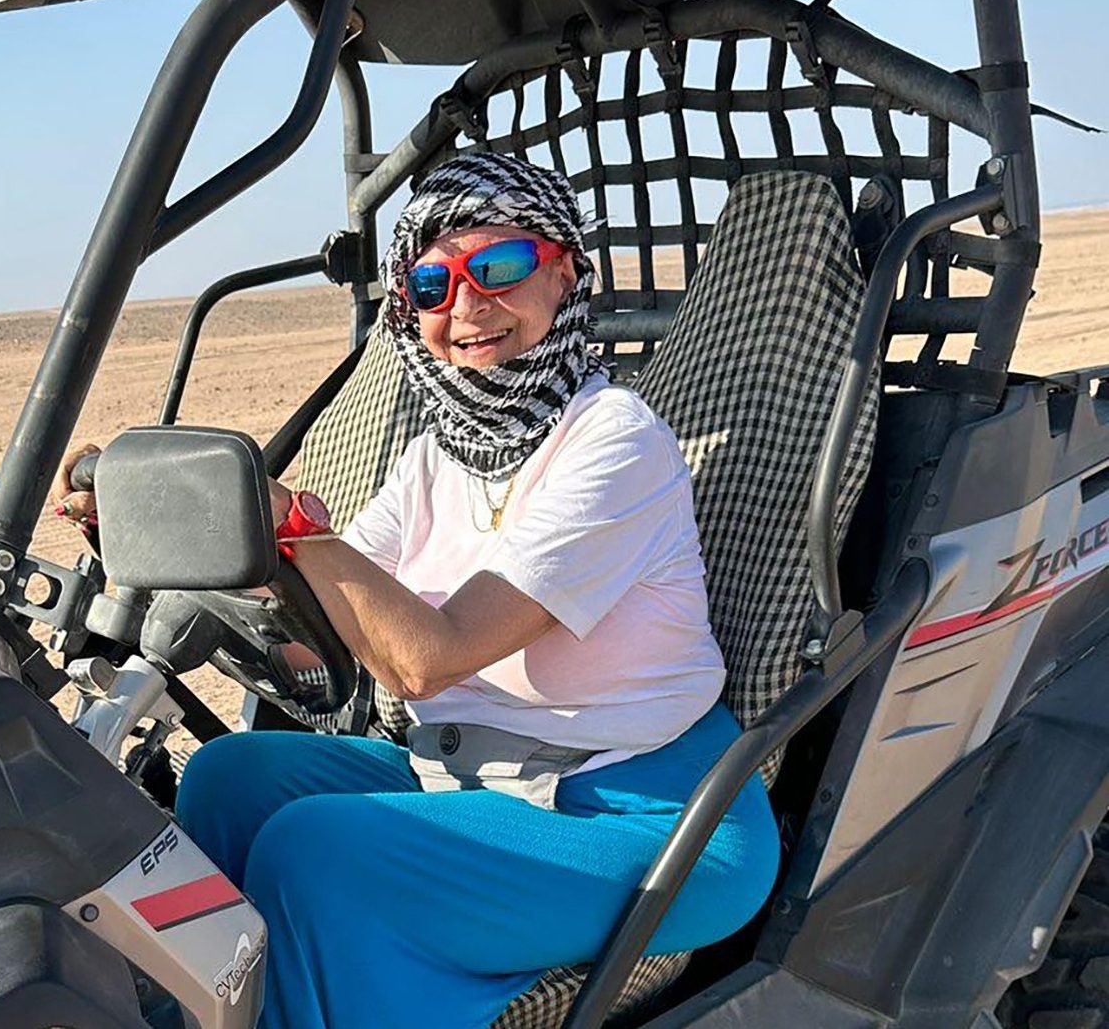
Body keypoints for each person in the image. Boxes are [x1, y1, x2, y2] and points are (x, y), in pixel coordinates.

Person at [54, 152, 780, 1029]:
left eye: (499, 266)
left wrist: (295, 527)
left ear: (564, 271)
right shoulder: (441, 455)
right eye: (432, 283)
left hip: (650, 816)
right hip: (474, 776)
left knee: (315, 852)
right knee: (225, 779)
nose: (466, 305)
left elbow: (424, 659)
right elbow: (315, 642)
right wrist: (162, 537)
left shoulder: (613, 442)